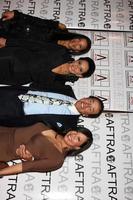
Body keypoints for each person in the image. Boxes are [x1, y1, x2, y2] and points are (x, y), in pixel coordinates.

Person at [0, 122, 93, 175]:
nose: (73, 135)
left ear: (77, 147)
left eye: (78, 138)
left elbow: (26, 167)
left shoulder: (56, 160)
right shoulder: (53, 127)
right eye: (76, 131)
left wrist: (1, 173)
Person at [0, 85, 104, 131]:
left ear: (86, 115)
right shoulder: (66, 89)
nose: (87, 105)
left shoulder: (68, 127)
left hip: (15, 114)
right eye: (90, 101)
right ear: (87, 97)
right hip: (13, 93)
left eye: (90, 109)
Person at [0, 37, 95, 86]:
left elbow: (35, 86)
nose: (76, 66)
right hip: (12, 57)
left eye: (80, 69)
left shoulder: (59, 83)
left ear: (80, 75)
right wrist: (8, 42)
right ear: (77, 60)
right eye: (79, 63)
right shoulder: (61, 51)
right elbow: (34, 44)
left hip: (13, 78)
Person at [0, 10, 91, 55]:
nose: (76, 43)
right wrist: (16, 15)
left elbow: (29, 52)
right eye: (79, 39)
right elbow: (37, 21)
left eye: (80, 46)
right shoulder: (61, 28)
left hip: (8, 42)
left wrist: (8, 44)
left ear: (77, 51)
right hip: (10, 26)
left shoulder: (58, 55)